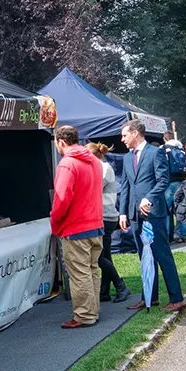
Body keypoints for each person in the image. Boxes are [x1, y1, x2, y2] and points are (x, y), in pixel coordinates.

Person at [117, 119, 185, 312]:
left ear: (135, 133)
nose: (122, 139)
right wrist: (123, 213)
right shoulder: (126, 158)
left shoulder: (156, 153)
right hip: (135, 215)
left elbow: (163, 181)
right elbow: (126, 187)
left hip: (153, 213)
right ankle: (150, 297)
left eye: (124, 135)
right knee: (144, 257)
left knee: (162, 255)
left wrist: (149, 198)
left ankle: (177, 298)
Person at [50, 126, 105, 329]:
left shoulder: (67, 164)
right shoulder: (95, 162)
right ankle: (92, 311)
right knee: (92, 271)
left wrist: (55, 222)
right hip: (95, 224)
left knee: (80, 274)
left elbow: (61, 199)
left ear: (61, 142)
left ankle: (85, 316)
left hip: (75, 228)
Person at [85, 142, 131, 303]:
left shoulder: (103, 169)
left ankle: (121, 286)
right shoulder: (102, 167)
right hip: (106, 216)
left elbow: (93, 188)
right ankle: (104, 292)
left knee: (98, 256)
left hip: (105, 216)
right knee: (105, 255)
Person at [162, 131, 186, 242]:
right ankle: (182, 235)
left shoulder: (164, 149)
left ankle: (168, 236)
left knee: (167, 210)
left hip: (169, 182)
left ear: (165, 138)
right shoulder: (182, 149)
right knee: (181, 208)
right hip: (182, 181)